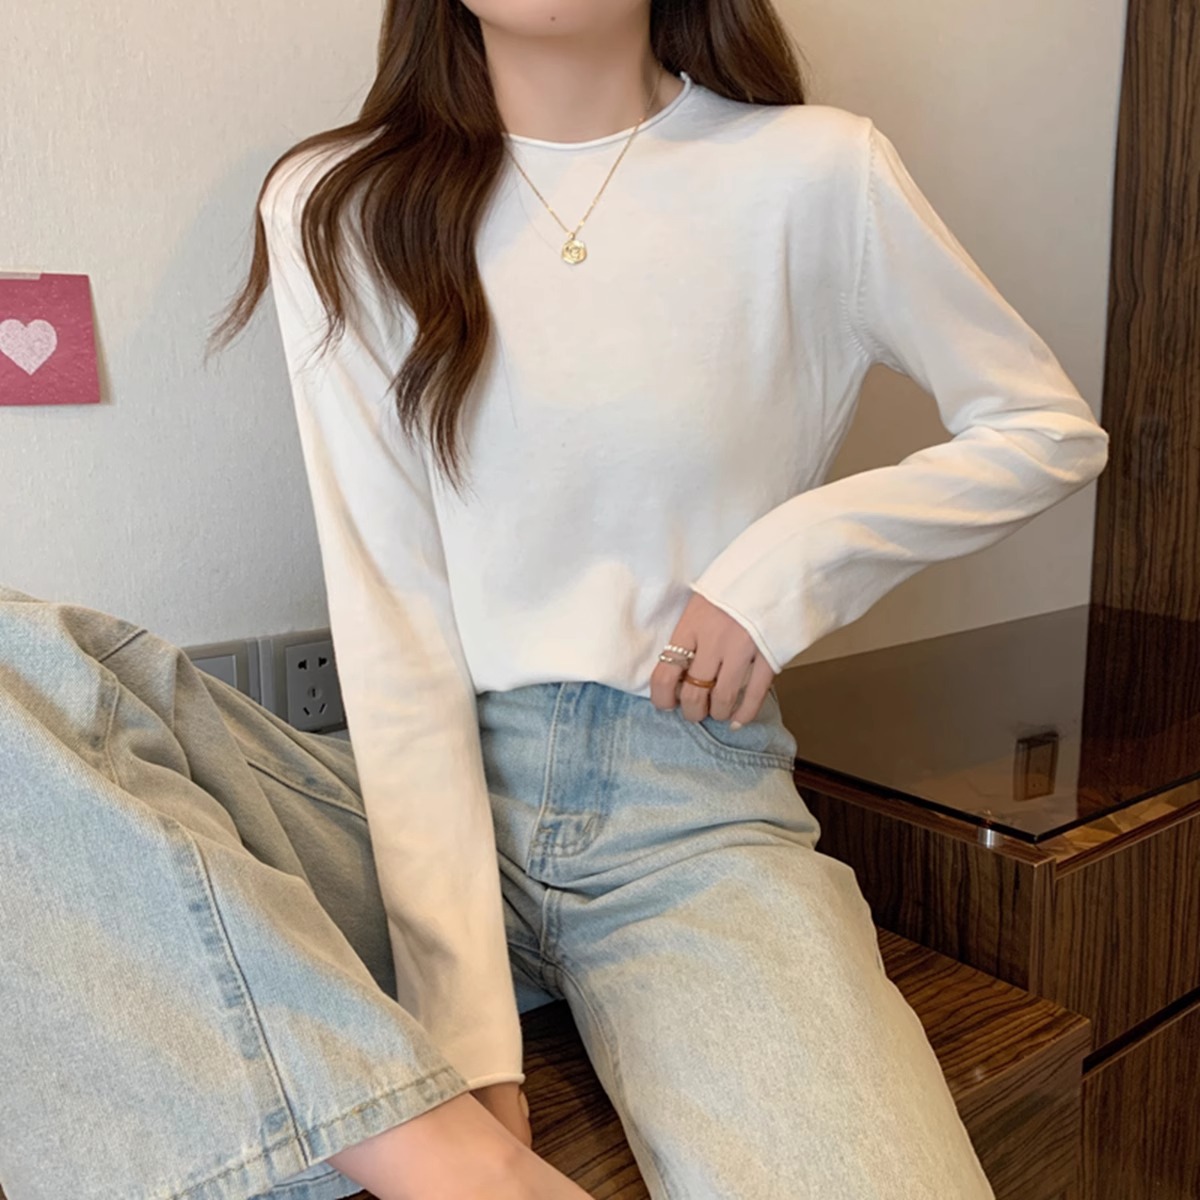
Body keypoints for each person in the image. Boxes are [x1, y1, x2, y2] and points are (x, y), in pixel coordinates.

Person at [0, 2, 1110, 1199]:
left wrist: (785, 569)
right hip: (397, 816)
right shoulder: (342, 201)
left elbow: (1044, 428)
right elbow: (394, 610)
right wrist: (466, 1030)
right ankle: (446, 1160)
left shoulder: (816, 173)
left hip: (686, 814)